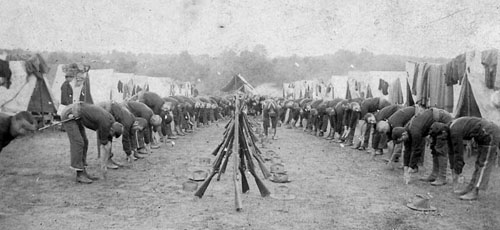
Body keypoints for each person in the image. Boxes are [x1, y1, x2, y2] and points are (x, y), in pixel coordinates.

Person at [61, 102, 123, 184]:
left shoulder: (111, 121)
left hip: (78, 114)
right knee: (78, 143)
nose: (111, 136)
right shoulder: (106, 124)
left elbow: (106, 143)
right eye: (112, 134)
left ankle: (83, 171)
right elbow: (104, 146)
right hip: (70, 113)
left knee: (85, 142)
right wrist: (103, 166)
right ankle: (79, 174)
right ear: (112, 130)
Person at [392, 108, 453, 184]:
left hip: (443, 119)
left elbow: (417, 150)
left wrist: (410, 169)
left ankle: (442, 177)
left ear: (403, 134)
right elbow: (407, 150)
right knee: (434, 148)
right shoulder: (407, 131)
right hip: (434, 124)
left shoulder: (415, 132)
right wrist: (405, 168)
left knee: (440, 149)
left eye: (401, 140)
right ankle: (434, 175)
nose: (403, 142)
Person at [446, 117, 500, 200]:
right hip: (483, 134)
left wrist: (457, 171)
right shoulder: (451, 127)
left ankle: (475, 191)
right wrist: (453, 167)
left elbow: (458, 153)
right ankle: (470, 187)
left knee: (484, 164)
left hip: (490, 133)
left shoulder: (454, 131)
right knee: (478, 163)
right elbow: (451, 151)